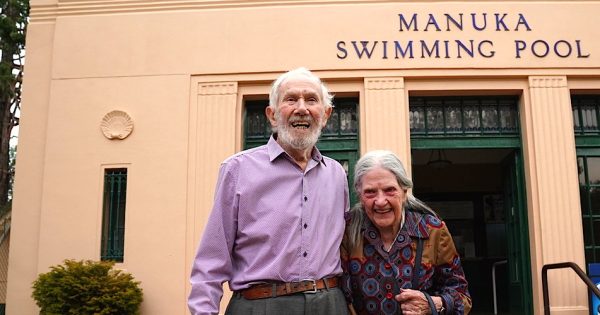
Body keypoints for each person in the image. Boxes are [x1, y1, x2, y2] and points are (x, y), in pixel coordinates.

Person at [188, 67, 350, 315]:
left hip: (329, 304)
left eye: (311, 100)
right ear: (272, 115)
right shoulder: (237, 169)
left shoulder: (337, 174)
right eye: (291, 99)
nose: (302, 108)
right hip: (260, 305)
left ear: (325, 115)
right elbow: (212, 257)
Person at [341, 150, 471, 315]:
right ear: (359, 195)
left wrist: (432, 304)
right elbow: (342, 296)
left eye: (390, 190)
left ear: (404, 191)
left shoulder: (432, 231)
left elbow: (462, 298)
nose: (380, 201)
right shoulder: (347, 232)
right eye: (370, 192)